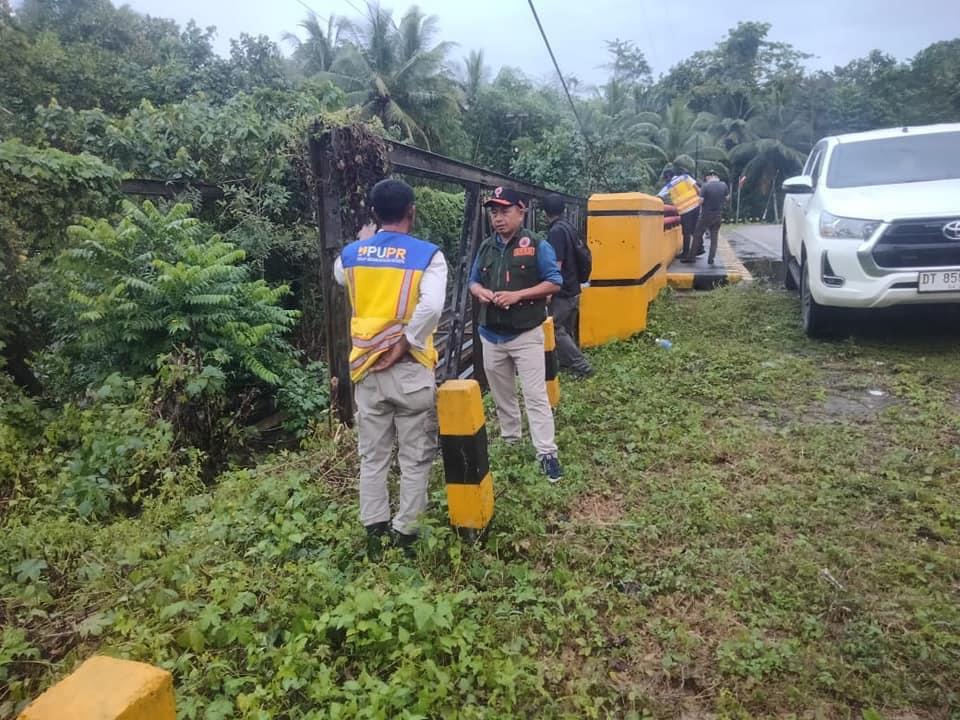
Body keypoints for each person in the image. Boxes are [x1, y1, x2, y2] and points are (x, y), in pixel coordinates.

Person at [335, 178, 448, 557]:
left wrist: (365, 240)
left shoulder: (351, 255)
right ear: (411, 211)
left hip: (367, 370)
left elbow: (340, 273)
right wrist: (405, 342)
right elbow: (431, 308)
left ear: (373, 214)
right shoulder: (428, 256)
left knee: (373, 455)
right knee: (415, 455)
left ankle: (374, 531)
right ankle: (407, 533)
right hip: (410, 368)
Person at [468, 186, 564, 482]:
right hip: (491, 335)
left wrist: (518, 295)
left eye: (505, 211)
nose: (498, 218)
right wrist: (481, 292)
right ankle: (511, 441)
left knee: (535, 395)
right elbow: (472, 282)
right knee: (502, 394)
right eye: (494, 212)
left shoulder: (537, 245)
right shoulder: (486, 247)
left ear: (522, 211)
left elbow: (554, 282)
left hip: (525, 334)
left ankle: (547, 453)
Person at [542, 193, 593, 379]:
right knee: (567, 329)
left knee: (555, 328)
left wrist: (548, 289)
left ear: (545, 212)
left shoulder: (556, 232)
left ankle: (581, 365)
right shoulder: (569, 227)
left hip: (562, 289)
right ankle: (567, 364)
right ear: (563, 209)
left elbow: (557, 263)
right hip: (573, 286)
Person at [657, 168, 702, 263]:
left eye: (665, 178)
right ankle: (699, 248)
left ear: (668, 177)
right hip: (696, 206)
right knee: (695, 229)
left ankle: (685, 253)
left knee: (686, 232)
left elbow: (659, 197)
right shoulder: (685, 177)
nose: (666, 180)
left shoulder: (669, 185)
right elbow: (698, 189)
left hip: (685, 210)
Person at [695, 172, 730, 266]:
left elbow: (701, 201)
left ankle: (691, 257)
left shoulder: (705, 186)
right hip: (718, 215)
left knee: (697, 235)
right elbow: (727, 198)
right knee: (714, 238)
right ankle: (711, 259)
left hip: (706, 215)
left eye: (706, 177)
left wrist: (698, 202)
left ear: (709, 177)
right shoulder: (723, 185)